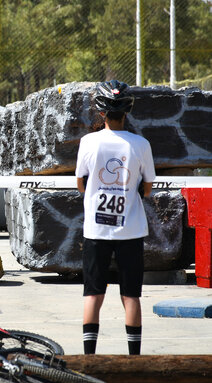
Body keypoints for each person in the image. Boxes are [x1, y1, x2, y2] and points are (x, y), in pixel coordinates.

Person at [75, 80, 156, 355]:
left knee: (93, 294)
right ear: (127, 112)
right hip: (130, 229)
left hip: (96, 229)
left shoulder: (88, 142)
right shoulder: (141, 144)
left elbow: (81, 183)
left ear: (101, 113)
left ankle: (89, 358)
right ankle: (135, 360)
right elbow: (147, 187)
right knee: (131, 295)